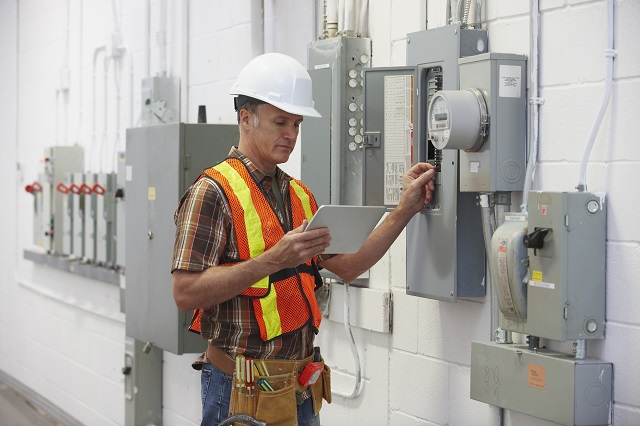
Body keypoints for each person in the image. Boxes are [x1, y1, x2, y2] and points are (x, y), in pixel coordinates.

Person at [171, 52, 435, 426]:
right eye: (281, 122)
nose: (291, 134)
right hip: (239, 393)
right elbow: (185, 293)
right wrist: (272, 260)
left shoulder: (298, 195)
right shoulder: (212, 192)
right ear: (246, 118)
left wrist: (405, 209)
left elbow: (350, 265)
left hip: (298, 388)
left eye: (296, 124)